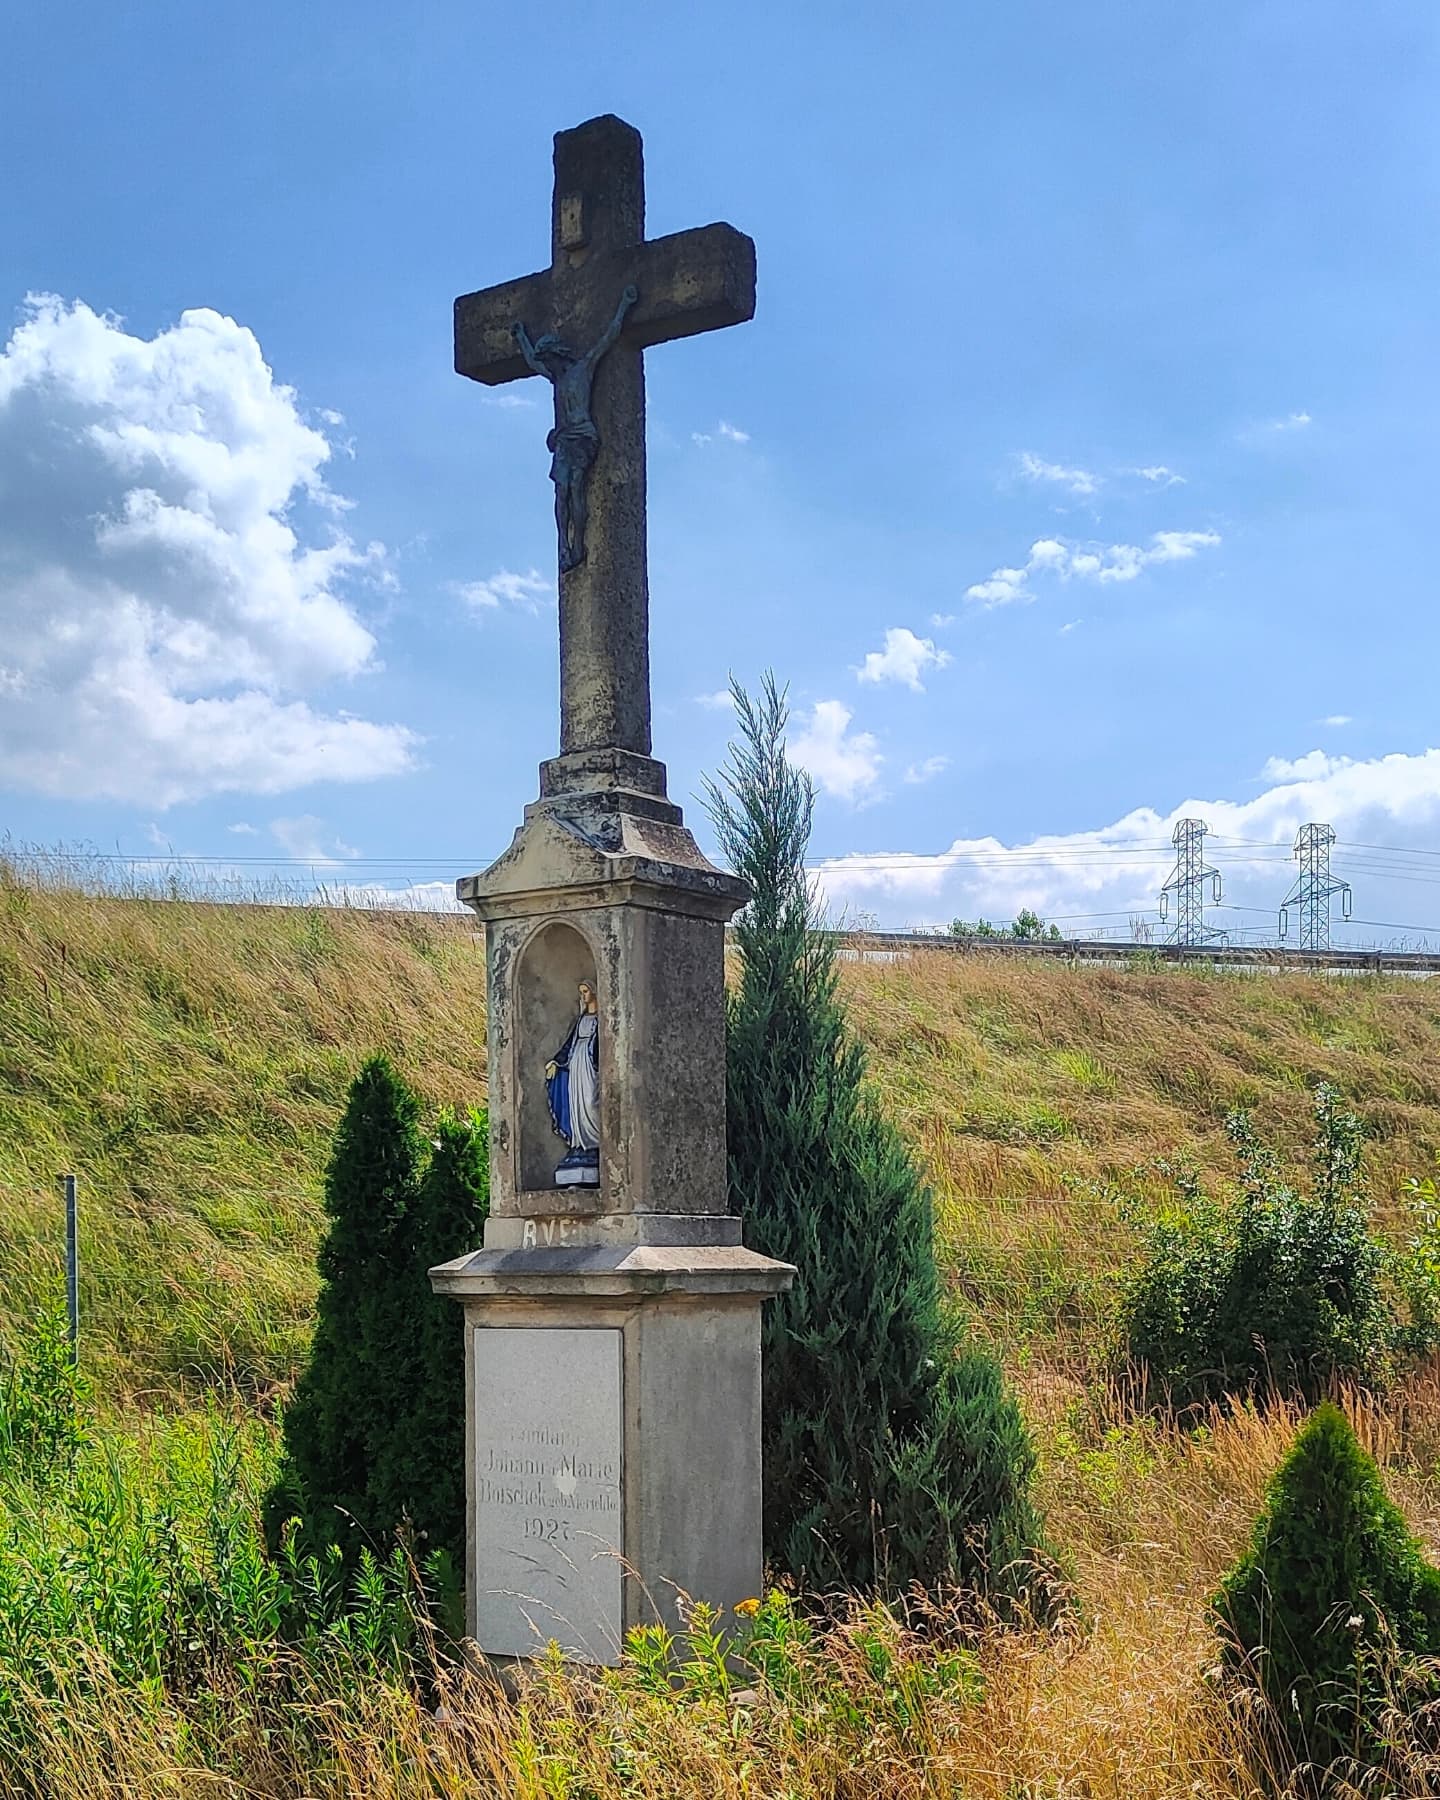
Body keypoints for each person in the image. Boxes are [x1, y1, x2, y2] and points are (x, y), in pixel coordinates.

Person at [513, 284, 638, 572]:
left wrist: (625, 304)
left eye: (549, 360)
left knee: (576, 487)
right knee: (561, 493)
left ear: (557, 356)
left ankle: (578, 543)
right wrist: (521, 336)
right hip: (565, 439)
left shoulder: (583, 369)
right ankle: (563, 545)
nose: (547, 366)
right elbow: (531, 361)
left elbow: (609, 337)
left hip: (583, 437)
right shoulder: (556, 379)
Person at [545, 980, 601, 1184]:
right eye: (581, 992)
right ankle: (579, 1144)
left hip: (590, 1066)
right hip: (576, 1065)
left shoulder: (600, 1019)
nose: (583, 995)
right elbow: (569, 1044)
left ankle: (595, 1144)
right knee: (576, 1105)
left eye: (586, 991)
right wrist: (556, 1062)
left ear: (594, 992)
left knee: (590, 1103)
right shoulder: (581, 1020)